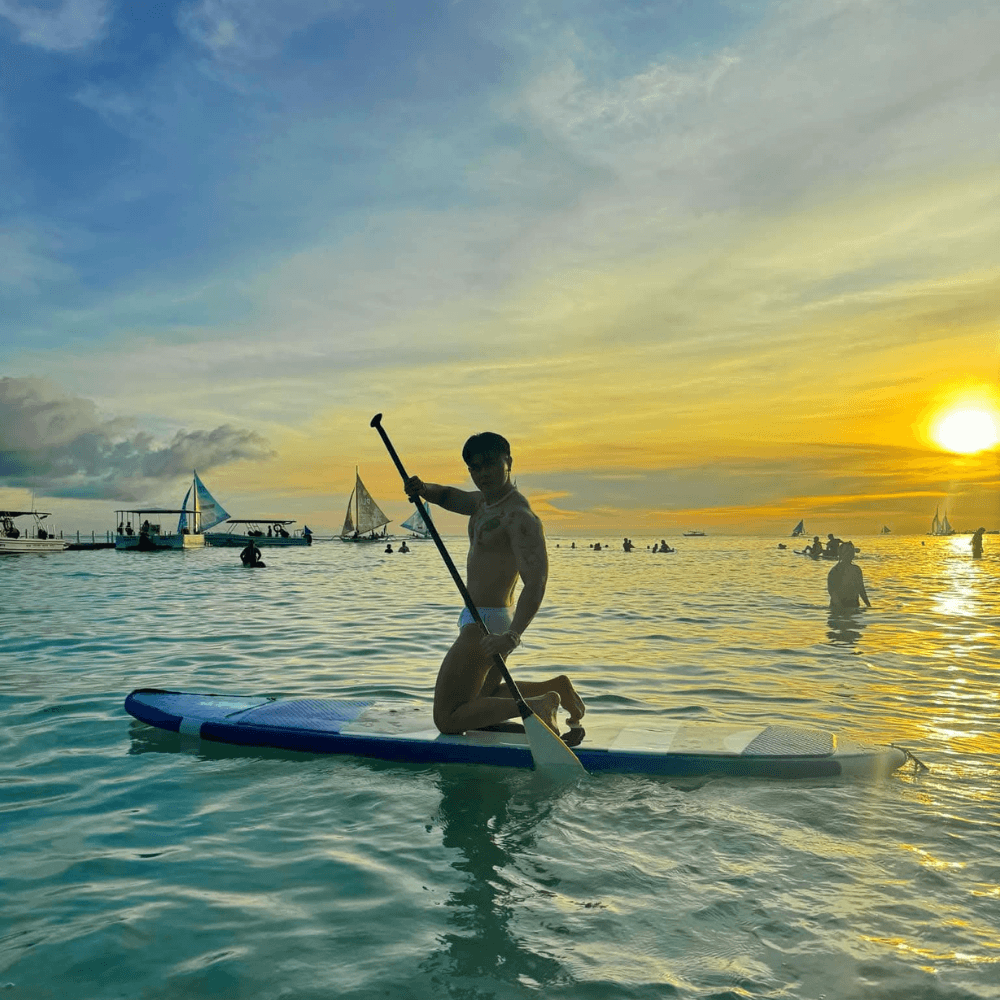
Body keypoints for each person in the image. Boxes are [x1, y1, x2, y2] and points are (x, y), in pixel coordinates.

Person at [404, 431, 585, 736]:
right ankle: (557, 689)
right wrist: (423, 489)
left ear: (508, 462)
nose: (482, 474)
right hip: (478, 618)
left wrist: (513, 636)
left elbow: (536, 583)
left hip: (487, 625)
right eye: (474, 468)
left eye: (490, 464)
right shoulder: (483, 503)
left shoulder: (518, 516)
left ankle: (540, 705)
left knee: (448, 718)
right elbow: (448, 496)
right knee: (479, 702)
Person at [827, 542, 870, 609]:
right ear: (841, 554)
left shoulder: (856, 569)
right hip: (837, 609)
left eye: (852, 552)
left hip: (854, 606)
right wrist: (841, 608)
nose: (850, 554)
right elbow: (832, 592)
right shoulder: (835, 571)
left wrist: (868, 606)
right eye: (848, 552)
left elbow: (861, 590)